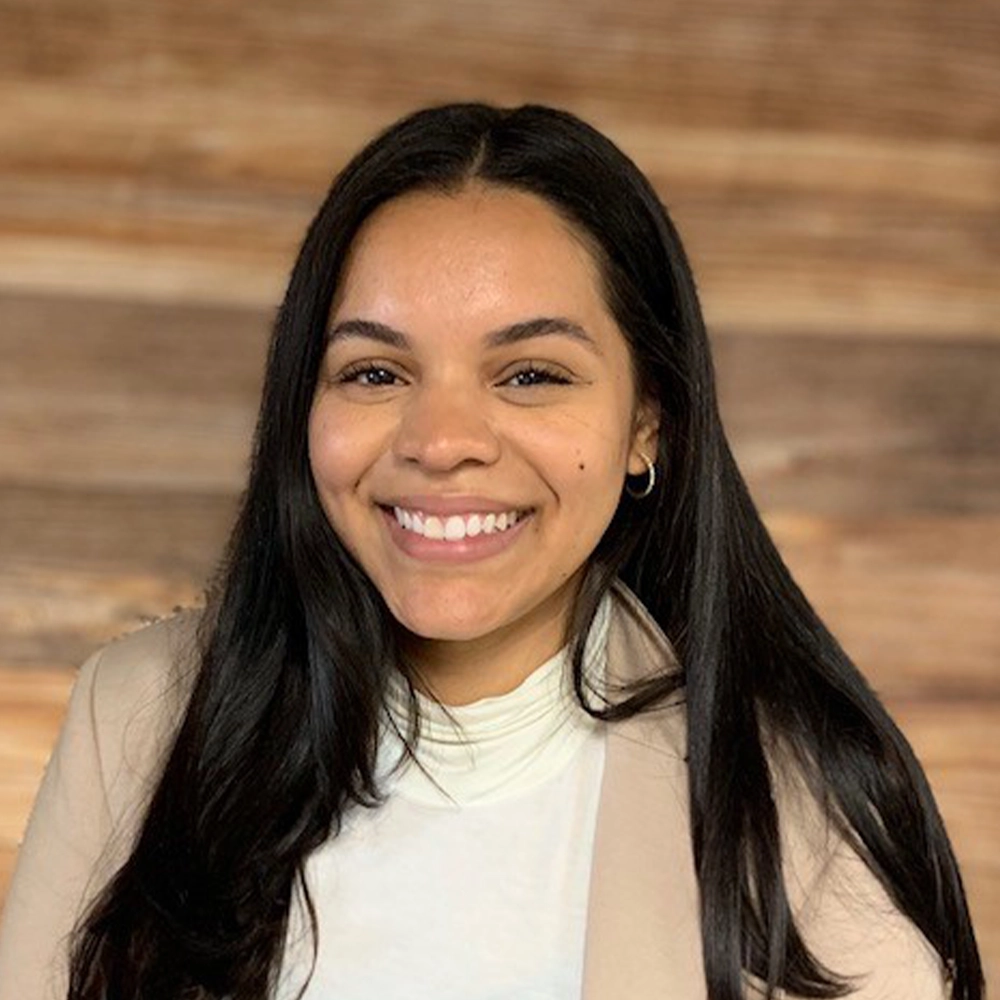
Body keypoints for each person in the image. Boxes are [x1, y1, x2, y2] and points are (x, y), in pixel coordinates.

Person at [0, 103, 984, 1000]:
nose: (442, 440)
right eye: (376, 370)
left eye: (529, 374)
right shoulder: (131, 721)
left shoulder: (799, 800)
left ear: (648, 422)